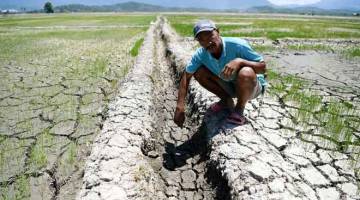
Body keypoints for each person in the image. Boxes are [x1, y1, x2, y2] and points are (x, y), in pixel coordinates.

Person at [173, 19, 266, 127]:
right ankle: (226, 100)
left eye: (210, 36)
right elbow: (186, 75)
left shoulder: (237, 45)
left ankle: (239, 109)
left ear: (218, 32)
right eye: (201, 40)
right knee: (199, 72)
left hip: (251, 87)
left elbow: (263, 68)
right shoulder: (201, 54)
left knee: (246, 72)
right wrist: (180, 106)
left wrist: (240, 62)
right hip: (229, 84)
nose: (207, 42)